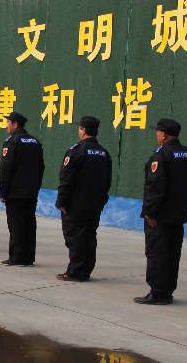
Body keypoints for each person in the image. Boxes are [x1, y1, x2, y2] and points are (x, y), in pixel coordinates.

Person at [135, 118, 187, 305]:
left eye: (157, 132)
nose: (157, 135)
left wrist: (150, 211)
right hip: (178, 214)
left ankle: (157, 293)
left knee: (157, 254)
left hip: (160, 216)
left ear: (163, 134)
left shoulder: (162, 155)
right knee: (172, 254)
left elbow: (156, 185)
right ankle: (168, 291)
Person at [55, 116, 113, 282]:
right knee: (89, 237)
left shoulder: (76, 150)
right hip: (94, 204)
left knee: (75, 238)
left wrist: (62, 201)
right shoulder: (103, 153)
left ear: (84, 130)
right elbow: (107, 180)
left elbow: (66, 179)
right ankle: (86, 270)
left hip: (76, 204)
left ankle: (76, 272)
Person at [0, 112, 45, 267]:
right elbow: (41, 168)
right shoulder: (35, 141)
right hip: (31, 192)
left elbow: (6, 169)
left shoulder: (12, 142)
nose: (7, 126)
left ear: (15, 124)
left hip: (15, 193)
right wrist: (35, 188)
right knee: (29, 224)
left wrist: (3, 192)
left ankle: (17, 257)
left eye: (8, 122)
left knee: (16, 225)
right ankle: (28, 257)